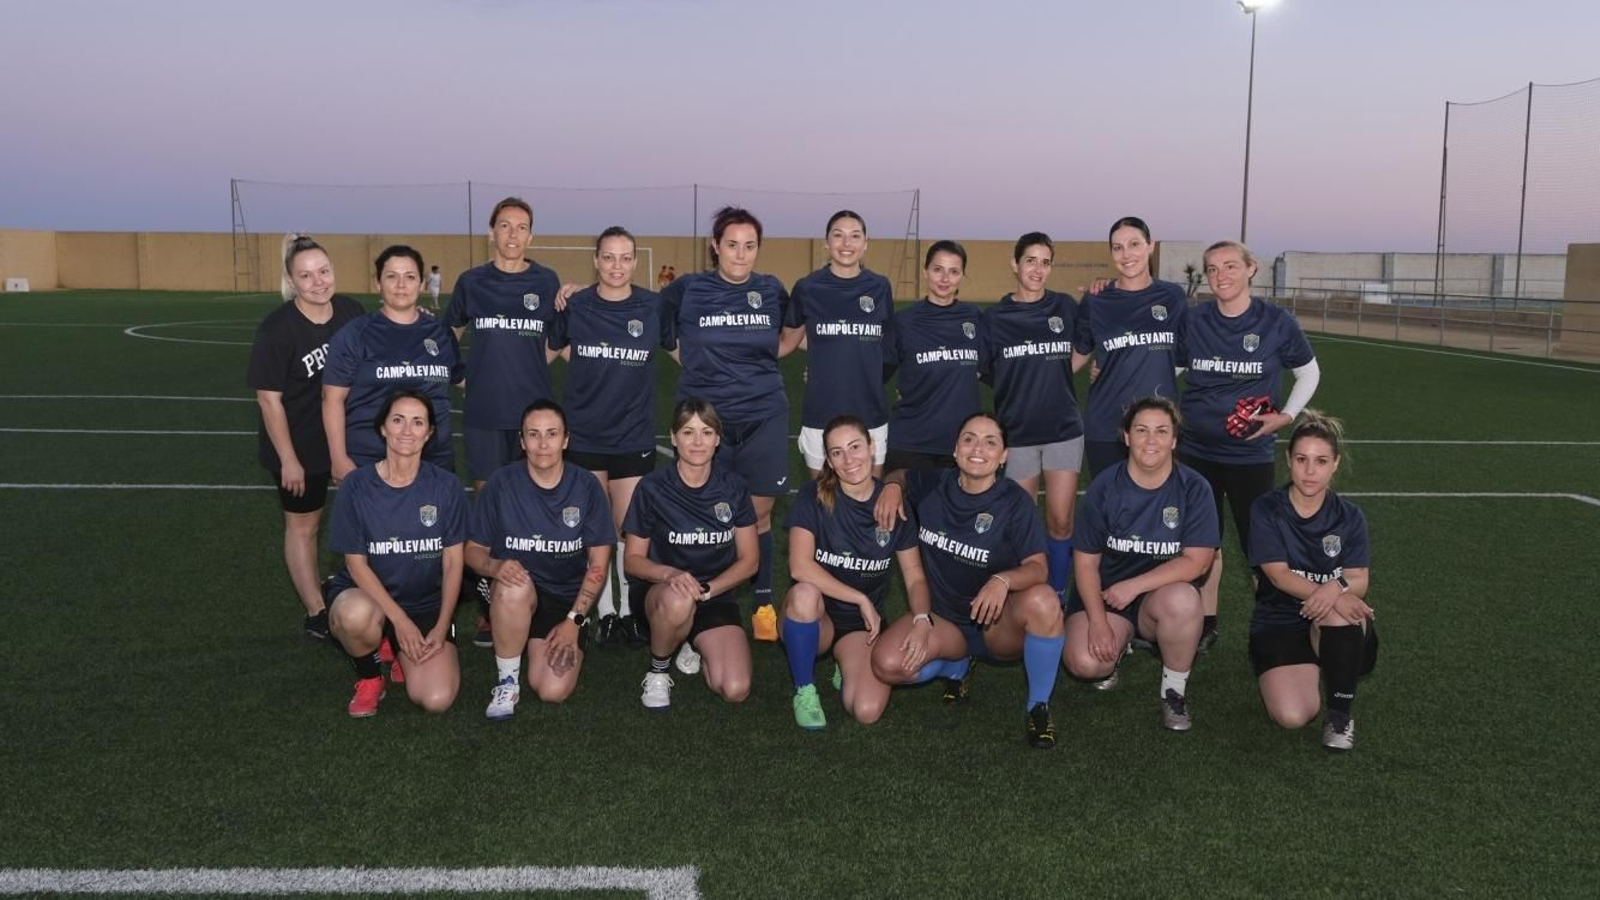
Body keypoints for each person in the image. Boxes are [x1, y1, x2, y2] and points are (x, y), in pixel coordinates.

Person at [870, 413, 1066, 749]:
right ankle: (956, 667)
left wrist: (1002, 580)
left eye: (990, 442)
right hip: (944, 620)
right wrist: (891, 486)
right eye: (969, 439)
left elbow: (1038, 568)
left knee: (1045, 601)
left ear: (1003, 456)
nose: (978, 448)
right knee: (886, 664)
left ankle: (1038, 706)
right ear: (955, 448)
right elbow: (901, 475)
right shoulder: (934, 484)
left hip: (996, 625)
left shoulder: (1014, 502)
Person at [1180, 240, 1320, 652]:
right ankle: (1205, 622)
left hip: (1249, 456)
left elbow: (1309, 373)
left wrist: (1287, 415)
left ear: (1251, 268)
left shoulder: (1276, 321)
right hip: (1194, 451)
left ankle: (1272, 629)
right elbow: (1172, 366)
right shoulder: (1195, 320)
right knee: (1202, 545)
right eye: (1212, 268)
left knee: (1260, 549)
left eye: (1229, 266)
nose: (1220, 275)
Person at [660, 207, 793, 642]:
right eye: (732, 244)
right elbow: (655, 324)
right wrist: (693, 364)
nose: (740, 254)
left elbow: (789, 336)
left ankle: (762, 604)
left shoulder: (771, 289)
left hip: (764, 414)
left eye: (750, 246)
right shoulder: (687, 289)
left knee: (759, 513)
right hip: (706, 419)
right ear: (715, 246)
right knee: (702, 510)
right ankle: (698, 601)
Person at [445, 196, 562, 646]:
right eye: (505, 226)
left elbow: (556, 341)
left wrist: (530, 366)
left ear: (531, 235)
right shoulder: (472, 281)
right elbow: (447, 334)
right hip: (485, 414)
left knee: (533, 506)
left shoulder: (546, 280)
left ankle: (535, 596)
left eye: (521, 227)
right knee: (491, 509)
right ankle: (491, 605)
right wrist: (461, 375)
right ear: (491, 232)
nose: (513, 234)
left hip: (534, 419)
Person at [1063, 397, 1219, 732]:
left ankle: (1173, 692)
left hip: (1159, 599)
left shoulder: (1194, 488)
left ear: (1174, 440)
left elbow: (1198, 562)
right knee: (1085, 663)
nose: (1151, 440)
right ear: (1126, 436)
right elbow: (1085, 563)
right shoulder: (1105, 487)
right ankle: (1119, 645)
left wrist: (1134, 586)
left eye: (1161, 431)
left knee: (1184, 600)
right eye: (1141, 430)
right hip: (1106, 597)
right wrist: (1098, 621)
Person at [546, 226, 668, 646]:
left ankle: (630, 610)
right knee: (596, 530)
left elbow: (686, 353)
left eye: (625, 257)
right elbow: (548, 351)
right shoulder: (575, 304)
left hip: (632, 436)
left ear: (635, 262)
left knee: (628, 530)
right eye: (609, 257)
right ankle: (605, 613)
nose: (617, 266)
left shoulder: (653, 307)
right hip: (584, 436)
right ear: (596, 260)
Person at [465, 400, 615, 720]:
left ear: (566, 439)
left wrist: (574, 621)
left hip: (565, 601)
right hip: (516, 593)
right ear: (522, 441)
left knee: (551, 690)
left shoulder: (587, 487)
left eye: (551, 433)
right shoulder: (501, 484)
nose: (542, 444)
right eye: (533, 434)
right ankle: (507, 681)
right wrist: (495, 566)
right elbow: (473, 550)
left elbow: (599, 564)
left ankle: (547, 637)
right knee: (513, 585)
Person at [248, 234, 364, 639]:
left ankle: (358, 592)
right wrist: (289, 459)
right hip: (299, 444)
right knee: (305, 526)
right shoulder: (277, 330)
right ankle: (317, 611)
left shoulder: (351, 311)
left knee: (366, 520)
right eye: (306, 275)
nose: (318, 282)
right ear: (291, 281)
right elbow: (268, 400)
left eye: (324, 271)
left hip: (347, 438)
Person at [325, 390, 466, 717]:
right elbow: (356, 565)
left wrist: (441, 625)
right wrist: (400, 621)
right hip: (371, 598)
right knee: (353, 616)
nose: (407, 430)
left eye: (418, 422)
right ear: (383, 428)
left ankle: (397, 648)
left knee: (437, 699)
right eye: (398, 420)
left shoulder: (447, 486)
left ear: (429, 433)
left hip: (425, 604)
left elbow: (453, 562)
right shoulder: (355, 486)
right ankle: (370, 676)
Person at [781, 415, 925, 730]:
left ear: (872, 447)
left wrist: (922, 618)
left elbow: (914, 575)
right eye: (837, 452)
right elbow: (799, 566)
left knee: (866, 710)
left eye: (855, 447)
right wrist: (860, 598)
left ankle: (845, 663)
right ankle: (804, 688)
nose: (849, 460)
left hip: (862, 626)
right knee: (804, 594)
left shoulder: (894, 505)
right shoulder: (812, 496)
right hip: (817, 617)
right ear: (829, 460)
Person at [1248, 411, 1375, 751]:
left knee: (1340, 611)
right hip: (1279, 619)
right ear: (1288, 460)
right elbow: (1278, 575)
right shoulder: (1266, 509)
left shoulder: (1350, 517)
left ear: (1335, 464)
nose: (1309, 470)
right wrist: (1334, 590)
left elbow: (1359, 578)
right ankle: (1322, 661)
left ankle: (1340, 715)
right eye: (1302, 459)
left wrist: (1336, 588)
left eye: (1320, 461)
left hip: (1331, 617)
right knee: (1292, 716)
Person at [624, 399, 759, 711]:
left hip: (714, 594)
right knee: (679, 600)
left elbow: (750, 561)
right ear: (673, 437)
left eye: (706, 432)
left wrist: (708, 590)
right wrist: (670, 575)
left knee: (735, 689)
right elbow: (632, 560)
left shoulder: (734, 488)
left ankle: (690, 640)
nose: (697, 442)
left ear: (717, 439)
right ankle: (659, 670)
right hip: (661, 593)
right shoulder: (652, 487)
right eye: (688, 432)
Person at [981, 232, 1085, 599]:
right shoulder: (994, 318)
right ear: (1015, 264)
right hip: (1017, 433)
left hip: (1063, 429)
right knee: (1022, 526)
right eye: (1030, 261)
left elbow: (1085, 344)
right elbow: (983, 369)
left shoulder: (1065, 307)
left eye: (1045, 262)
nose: (1038, 270)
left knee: (1061, 521)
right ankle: (1026, 594)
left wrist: (1059, 372)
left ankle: (1057, 592)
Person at [322, 245, 461, 482]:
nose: (401, 285)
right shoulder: (355, 335)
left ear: (422, 284)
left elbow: (463, 378)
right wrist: (338, 458)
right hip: (371, 458)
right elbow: (332, 398)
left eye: (410, 277)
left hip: (435, 459)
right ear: (378, 283)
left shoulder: (440, 332)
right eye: (391, 276)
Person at [1072, 216, 1187, 479]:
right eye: (1118, 247)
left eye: (1134, 244)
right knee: (1111, 500)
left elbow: (1184, 355)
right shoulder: (1096, 299)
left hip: (1159, 425)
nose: (1126, 254)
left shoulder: (1172, 296)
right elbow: (1080, 352)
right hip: (1106, 423)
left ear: (1151, 246)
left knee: (1159, 500)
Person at [783, 210, 894, 478]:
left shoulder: (880, 287)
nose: (846, 244)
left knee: (871, 495)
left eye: (855, 236)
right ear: (826, 242)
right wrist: (822, 360)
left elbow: (885, 344)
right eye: (838, 235)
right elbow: (790, 340)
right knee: (823, 495)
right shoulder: (808, 288)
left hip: (870, 411)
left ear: (865, 243)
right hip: (822, 410)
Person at [880, 241, 984, 475]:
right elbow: (875, 374)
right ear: (925, 271)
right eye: (938, 269)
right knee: (900, 499)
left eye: (954, 271)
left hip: (961, 445)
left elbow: (997, 367)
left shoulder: (975, 317)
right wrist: (825, 376)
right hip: (910, 442)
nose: (945, 278)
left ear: (962, 275)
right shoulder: (904, 321)